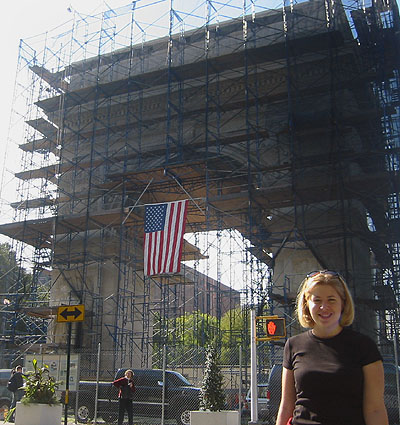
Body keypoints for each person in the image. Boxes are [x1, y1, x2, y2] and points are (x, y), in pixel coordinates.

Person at [276, 270, 389, 425]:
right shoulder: (293, 345)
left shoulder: (364, 346)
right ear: (307, 304)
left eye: (331, 300)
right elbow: (287, 405)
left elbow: (375, 409)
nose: (324, 307)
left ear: (343, 304)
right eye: (317, 300)